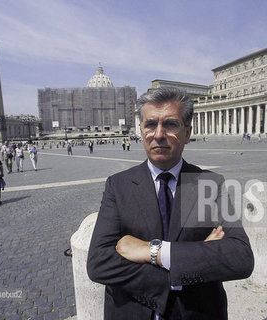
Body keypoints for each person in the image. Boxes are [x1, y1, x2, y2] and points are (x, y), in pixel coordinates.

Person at [87, 87, 254, 319]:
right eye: (150, 124)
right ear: (141, 130)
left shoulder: (211, 183)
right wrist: (195, 258)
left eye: (170, 124)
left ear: (187, 133)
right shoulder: (118, 185)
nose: (158, 134)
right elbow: (99, 263)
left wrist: (152, 251)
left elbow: (240, 257)